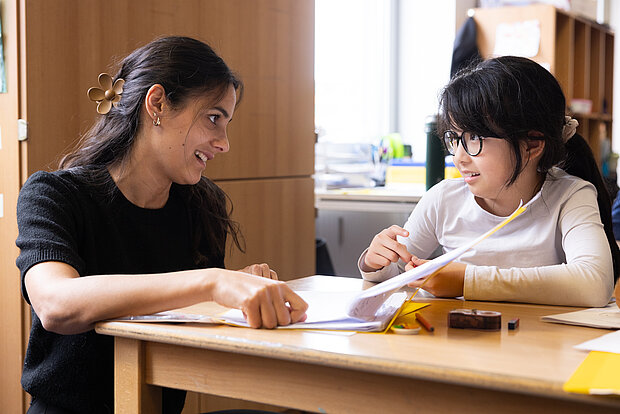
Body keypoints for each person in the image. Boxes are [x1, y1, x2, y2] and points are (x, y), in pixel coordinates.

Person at [15, 36, 308, 414]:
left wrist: (237, 298)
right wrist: (213, 283)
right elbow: (56, 304)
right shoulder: (53, 194)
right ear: (157, 104)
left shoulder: (202, 205)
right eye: (213, 118)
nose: (224, 143)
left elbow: (189, 330)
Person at [359, 56, 620, 308]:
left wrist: (467, 281)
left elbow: (594, 283)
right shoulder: (443, 199)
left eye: (475, 138)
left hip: (541, 349)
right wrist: (376, 262)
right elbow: (395, 277)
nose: (459, 157)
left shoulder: (570, 195)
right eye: (455, 138)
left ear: (532, 144)